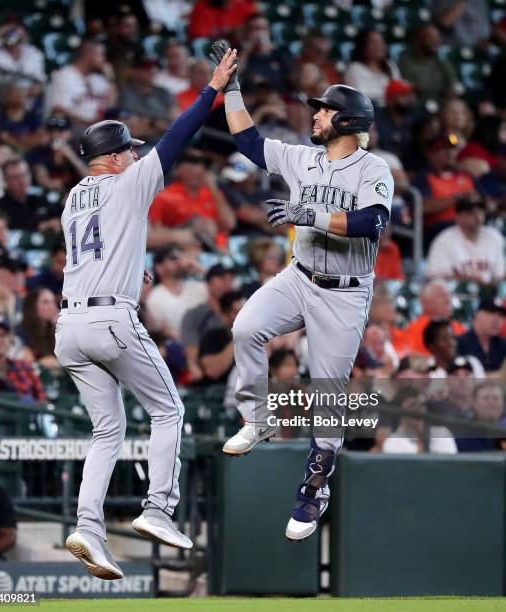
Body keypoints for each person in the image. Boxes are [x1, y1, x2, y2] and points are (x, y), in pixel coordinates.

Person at [55, 46, 237, 576]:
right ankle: (158, 509)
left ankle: (88, 526)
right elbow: (178, 137)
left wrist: (130, 269)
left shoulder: (73, 198)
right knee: (168, 412)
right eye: (128, 151)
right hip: (111, 320)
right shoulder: (129, 179)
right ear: (113, 158)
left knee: (107, 430)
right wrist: (212, 89)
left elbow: (96, 248)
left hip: (70, 325)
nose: (137, 156)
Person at [212, 39, 394, 541]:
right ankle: (257, 417)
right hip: (300, 275)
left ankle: (314, 488)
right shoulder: (300, 159)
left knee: (328, 400)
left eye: (323, 110)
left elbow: (371, 223)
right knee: (246, 327)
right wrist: (232, 91)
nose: (314, 115)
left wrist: (308, 213)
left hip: (345, 291)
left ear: (349, 121)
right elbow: (249, 143)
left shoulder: (373, 168)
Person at [148, 150, 235, 251]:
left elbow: (229, 223)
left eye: (201, 164)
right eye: (192, 164)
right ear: (178, 170)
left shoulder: (212, 193)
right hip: (185, 249)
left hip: (221, 248)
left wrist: (213, 188)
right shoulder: (164, 196)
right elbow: (155, 231)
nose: (199, 169)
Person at [412, 133, 476, 247]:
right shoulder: (424, 177)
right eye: (443, 149)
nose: (449, 153)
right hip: (438, 230)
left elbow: (481, 198)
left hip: (471, 225)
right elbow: (422, 207)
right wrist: (458, 197)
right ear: (431, 154)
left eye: (452, 149)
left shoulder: (465, 175)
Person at [427, 196, 505, 284]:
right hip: (456, 294)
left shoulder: (494, 237)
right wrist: (467, 279)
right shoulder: (444, 239)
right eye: (470, 212)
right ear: (458, 217)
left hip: (489, 293)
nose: (477, 216)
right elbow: (434, 276)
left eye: (480, 211)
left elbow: (500, 274)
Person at [180, 263, 234, 382]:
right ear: (208, 283)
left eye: (230, 279)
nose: (226, 283)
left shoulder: (240, 312)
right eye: (221, 279)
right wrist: (193, 367)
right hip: (208, 374)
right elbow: (192, 357)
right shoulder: (195, 314)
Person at [45, 40, 116, 126]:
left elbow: (111, 108)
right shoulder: (64, 76)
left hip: (94, 130)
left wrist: (111, 80)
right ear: (87, 55)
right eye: (100, 54)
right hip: (68, 129)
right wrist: (90, 125)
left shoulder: (98, 79)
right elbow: (58, 111)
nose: (104, 59)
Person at [145, 246, 207, 339]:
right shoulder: (154, 298)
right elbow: (162, 332)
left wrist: (201, 270)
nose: (179, 261)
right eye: (173, 258)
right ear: (159, 268)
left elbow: (225, 294)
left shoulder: (196, 286)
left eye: (180, 258)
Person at [0, 159, 63, 232]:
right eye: (16, 177)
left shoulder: (39, 199)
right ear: (5, 180)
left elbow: (59, 213)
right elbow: (11, 229)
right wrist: (39, 227)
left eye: (25, 174)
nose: (22, 180)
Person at [381, 388, 457, 454]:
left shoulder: (442, 432)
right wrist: (421, 438)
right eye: (412, 405)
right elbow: (416, 468)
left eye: (422, 404)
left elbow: (449, 465)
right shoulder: (393, 442)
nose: (419, 409)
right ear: (401, 415)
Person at [119, 58, 178, 141]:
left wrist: (150, 123)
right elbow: (135, 131)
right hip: (144, 145)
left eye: (154, 67)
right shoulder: (126, 95)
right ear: (135, 71)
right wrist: (157, 124)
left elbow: (177, 125)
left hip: (170, 142)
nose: (152, 70)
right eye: (146, 68)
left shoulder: (164, 92)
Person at [402, 281, 466, 357]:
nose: (447, 299)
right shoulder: (414, 329)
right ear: (425, 303)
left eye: (449, 295)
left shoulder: (458, 327)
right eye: (441, 295)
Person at [219, 152, 276, 236]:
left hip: (267, 240)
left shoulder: (265, 195)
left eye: (242, 179)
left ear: (253, 176)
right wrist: (266, 220)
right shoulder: (227, 190)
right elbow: (247, 215)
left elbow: (281, 223)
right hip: (238, 239)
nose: (235, 182)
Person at [398, 24, 457, 104]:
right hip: (418, 104)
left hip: (441, 102)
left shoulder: (441, 60)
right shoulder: (406, 60)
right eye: (430, 38)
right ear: (418, 40)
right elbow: (415, 89)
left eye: (437, 38)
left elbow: (451, 87)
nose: (435, 41)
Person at [198, 289, 246, 384]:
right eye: (237, 312)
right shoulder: (212, 337)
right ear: (224, 314)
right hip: (221, 393)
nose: (244, 316)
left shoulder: (258, 336)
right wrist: (238, 338)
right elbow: (212, 371)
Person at [344, 29, 401, 107]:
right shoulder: (354, 69)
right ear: (363, 46)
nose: (379, 46)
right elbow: (361, 99)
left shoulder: (390, 65)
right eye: (373, 43)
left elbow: (400, 90)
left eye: (381, 42)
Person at [457, 299, 506, 373]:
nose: (497, 319)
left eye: (501, 315)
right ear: (477, 314)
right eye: (491, 312)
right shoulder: (459, 343)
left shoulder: (503, 345)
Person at [456, 381, 504, 452]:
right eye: (486, 398)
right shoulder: (464, 434)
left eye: (496, 398)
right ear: (474, 403)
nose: (491, 403)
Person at [18, 288, 59, 370]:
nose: (53, 306)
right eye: (45, 302)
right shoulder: (21, 332)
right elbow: (23, 365)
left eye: (53, 301)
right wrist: (40, 364)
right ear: (32, 307)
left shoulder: (55, 330)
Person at [188, 0, 257, 40]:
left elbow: (256, 23)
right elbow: (199, 34)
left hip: (240, 44)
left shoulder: (241, 5)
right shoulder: (202, 6)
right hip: (212, 46)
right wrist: (229, 32)